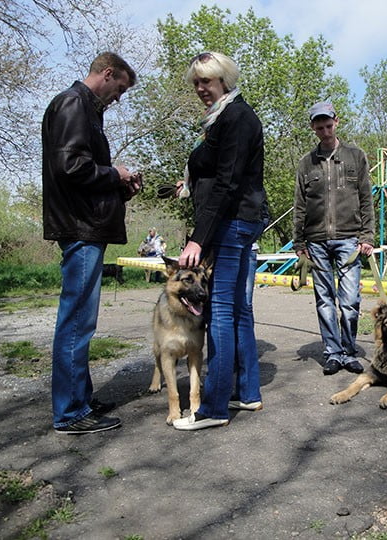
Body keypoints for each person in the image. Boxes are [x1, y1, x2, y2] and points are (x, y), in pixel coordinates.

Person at [42, 52, 141, 434]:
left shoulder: (86, 109)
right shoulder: (73, 103)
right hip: (79, 229)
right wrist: (113, 172)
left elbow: (83, 173)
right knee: (77, 322)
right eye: (119, 89)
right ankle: (69, 413)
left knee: (82, 320)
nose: (118, 98)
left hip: (86, 225)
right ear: (107, 73)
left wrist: (120, 185)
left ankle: (79, 399)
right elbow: (70, 167)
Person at [172, 51, 267, 431]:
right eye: (196, 82)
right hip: (238, 220)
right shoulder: (224, 118)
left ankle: (212, 409)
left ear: (224, 80)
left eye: (206, 81)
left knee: (223, 314)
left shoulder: (236, 117)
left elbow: (228, 183)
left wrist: (198, 239)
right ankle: (247, 392)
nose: (200, 89)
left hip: (232, 222)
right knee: (239, 311)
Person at [293, 102, 375, 376]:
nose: (325, 130)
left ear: (336, 122)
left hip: (349, 239)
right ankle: (333, 353)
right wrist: (299, 243)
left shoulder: (355, 156)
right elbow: (300, 205)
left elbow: (366, 199)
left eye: (328, 125)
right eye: (319, 126)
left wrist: (368, 236)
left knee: (350, 301)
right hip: (315, 241)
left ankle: (350, 352)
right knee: (325, 300)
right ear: (313, 127)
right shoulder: (306, 163)